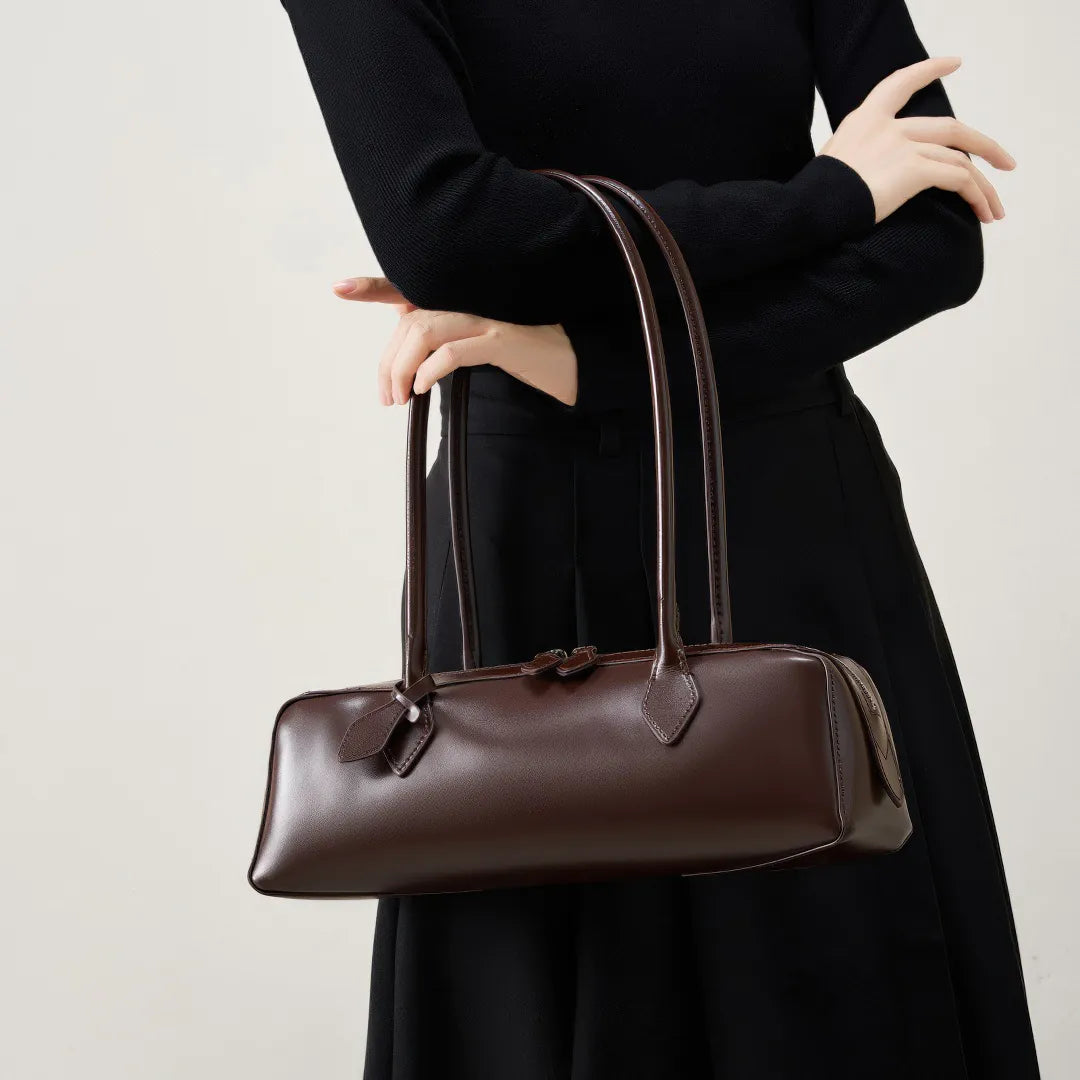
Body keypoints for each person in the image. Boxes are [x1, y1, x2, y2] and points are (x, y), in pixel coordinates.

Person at [274, 0, 1041, 1076]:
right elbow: (450, 231)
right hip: (535, 538)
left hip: (795, 514)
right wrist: (827, 198)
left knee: (844, 975)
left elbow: (935, 237)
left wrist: (603, 360)